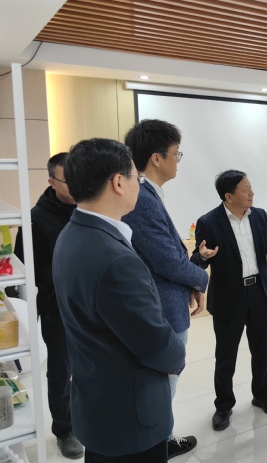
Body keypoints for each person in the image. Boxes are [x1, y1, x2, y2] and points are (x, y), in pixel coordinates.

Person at [52, 138, 186, 462]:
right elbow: (156, 345)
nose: (139, 184)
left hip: (97, 404)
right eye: (135, 177)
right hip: (131, 418)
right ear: (118, 183)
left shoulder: (71, 234)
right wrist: (176, 358)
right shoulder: (116, 259)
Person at [122, 119, 208, 458]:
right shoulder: (142, 199)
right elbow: (167, 261)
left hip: (167, 301)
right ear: (157, 158)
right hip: (162, 310)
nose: (178, 160)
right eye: (176, 154)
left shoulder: (149, 194)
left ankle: (162, 438)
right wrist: (200, 279)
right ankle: (159, 445)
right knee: (162, 385)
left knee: (164, 385)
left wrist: (190, 281)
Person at [190, 170, 267, 431]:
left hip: (258, 292)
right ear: (229, 196)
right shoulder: (209, 221)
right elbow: (198, 258)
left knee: (261, 349)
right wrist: (203, 256)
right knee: (226, 356)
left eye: (251, 188)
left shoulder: (259, 216)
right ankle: (223, 406)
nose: (252, 193)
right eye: (246, 190)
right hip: (228, 297)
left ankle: (263, 395)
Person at [13, 153, 83, 459]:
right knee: (61, 370)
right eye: (69, 180)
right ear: (52, 181)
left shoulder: (89, 207)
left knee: (93, 365)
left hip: (91, 305)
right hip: (58, 308)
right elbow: (22, 269)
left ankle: (89, 417)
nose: (77, 185)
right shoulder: (35, 219)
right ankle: (64, 429)